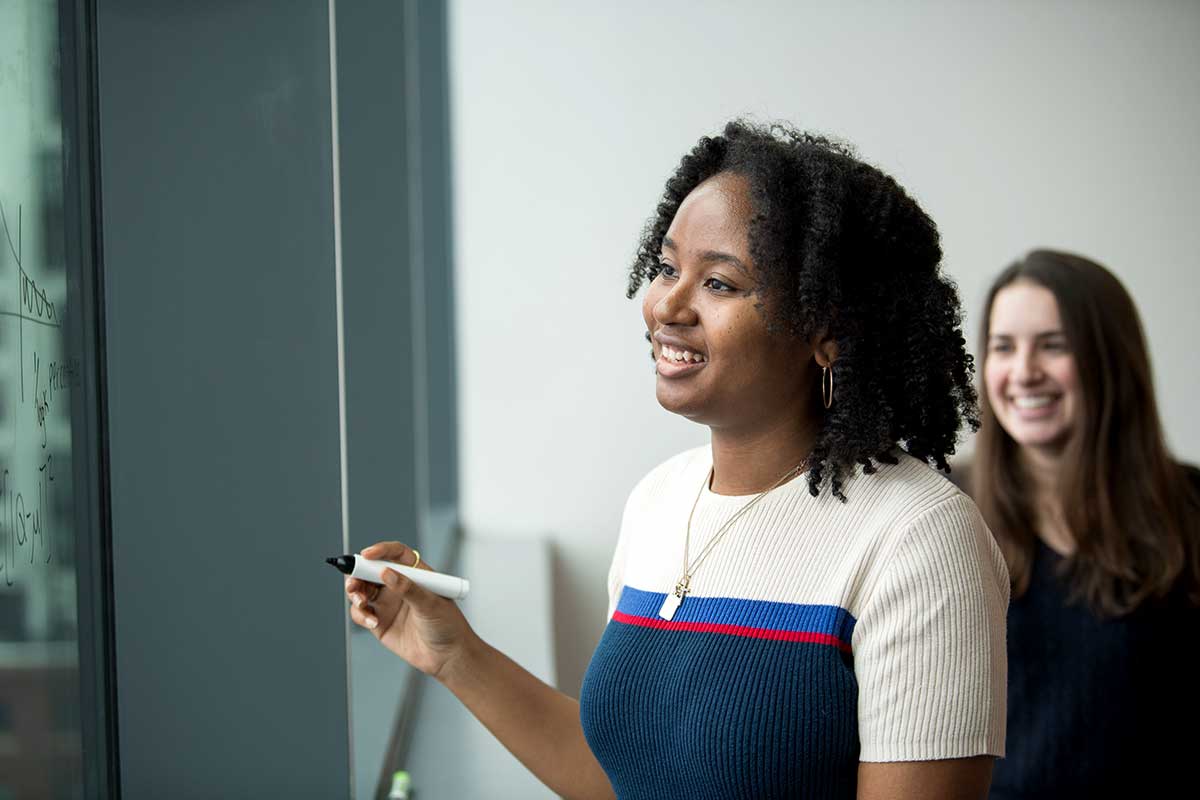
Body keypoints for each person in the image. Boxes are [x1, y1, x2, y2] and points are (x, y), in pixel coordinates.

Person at [345, 120, 1008, 800]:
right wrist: (456, 655)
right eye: (666, 268)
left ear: (827, 330)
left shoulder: (920, 538)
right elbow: (624, 776)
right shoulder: (659, 501)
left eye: (719, 283)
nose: (666, 304)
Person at [964, 250, 1200, 799]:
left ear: (1108, 358)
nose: (1024, 372)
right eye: (1003, 347)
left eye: (1054, 344)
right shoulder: (945, 508)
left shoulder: (1190, 508)